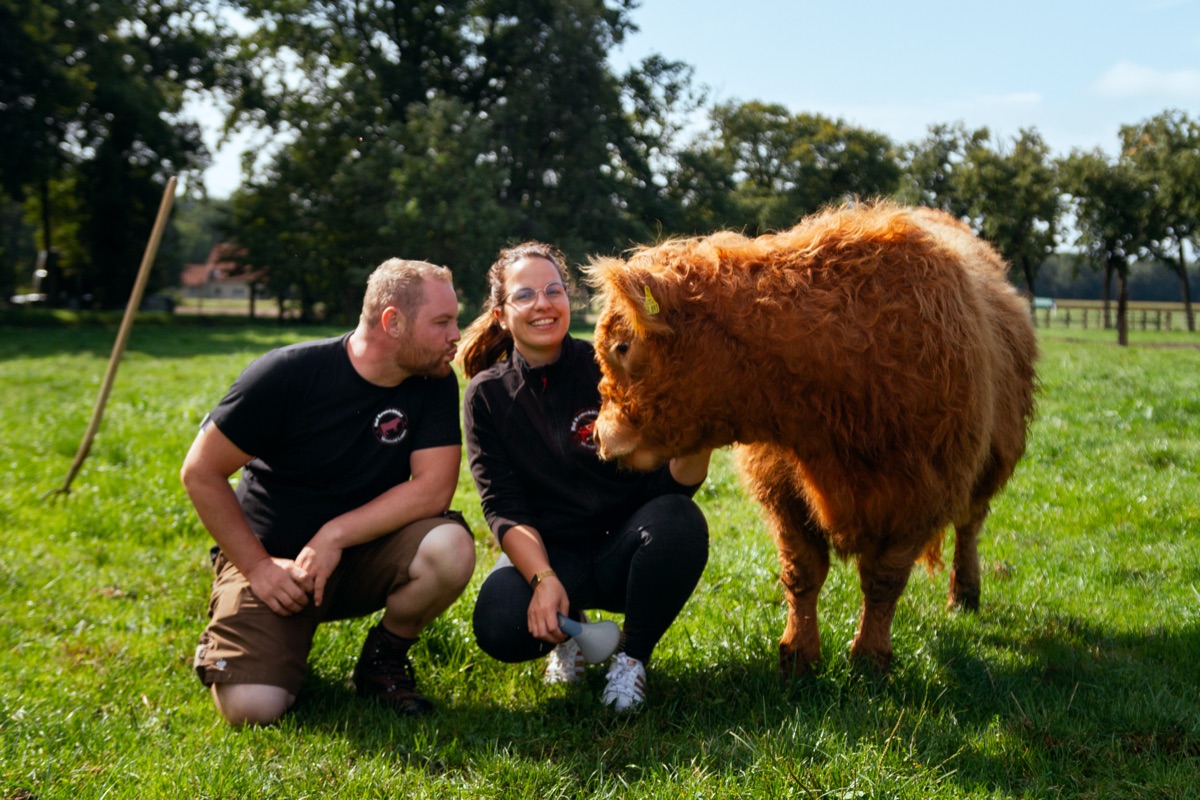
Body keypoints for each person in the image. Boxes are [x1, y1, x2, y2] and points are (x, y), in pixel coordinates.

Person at [181, 258, 476, 726]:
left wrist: (334, 535)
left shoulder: (434, 383)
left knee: (451, 547)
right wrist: (256, 567)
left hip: (361, 555)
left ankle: (384, 659)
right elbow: (200, 472)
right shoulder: (287, 373)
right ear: (392, 322)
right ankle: (252, 635)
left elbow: (433, 490)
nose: (455, 335)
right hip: (273, 564)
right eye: (442, 322)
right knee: (251, 709)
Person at [457, 242, 711, 712]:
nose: (543, 304)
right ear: (499, 314)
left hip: (626, 547)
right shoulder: (485, 396)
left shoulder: (610, 365)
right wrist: (543, 578)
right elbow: (503, 508)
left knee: (681, 519)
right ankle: (569, 633)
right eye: (525, 295)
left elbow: (671, 487)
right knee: (499, 623)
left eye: (554, 290)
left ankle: (631, 660)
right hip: (553, 555)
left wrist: (703, 432)